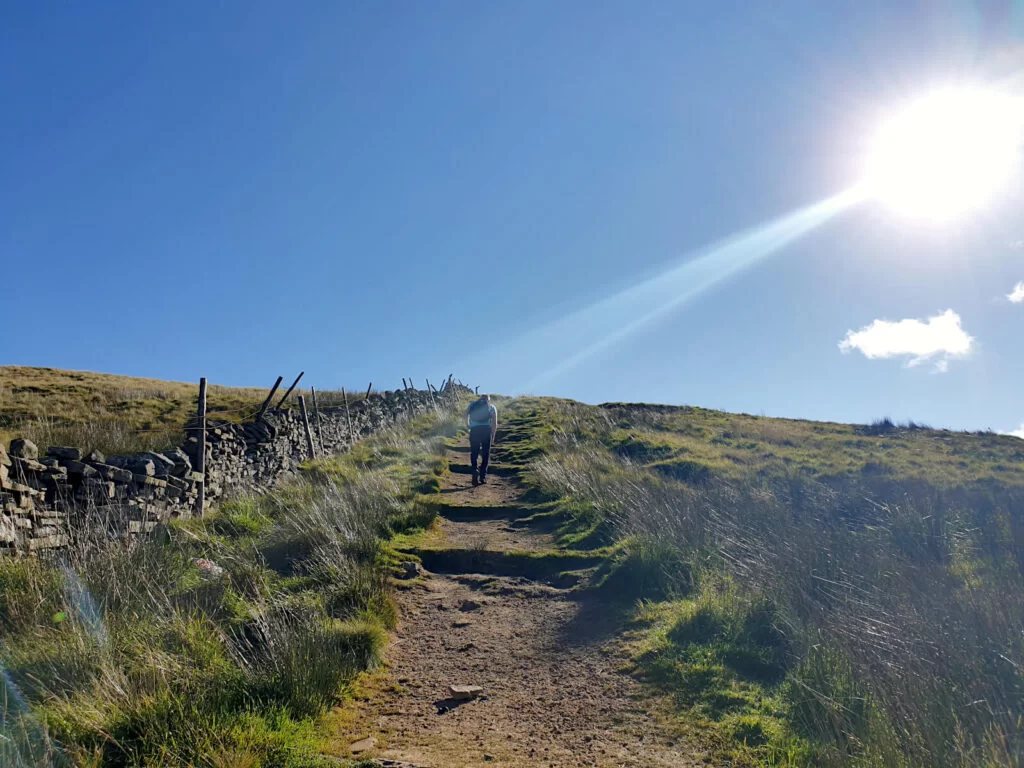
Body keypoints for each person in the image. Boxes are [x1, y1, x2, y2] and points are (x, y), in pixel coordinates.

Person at [466, 393, 497, 485]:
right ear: (488, 400)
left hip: (474, 430)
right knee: (485, 453)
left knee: (474, 452)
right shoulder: (491, 407)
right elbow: (494, 423)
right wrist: (493, 435)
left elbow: (465, 415)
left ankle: (474, 471)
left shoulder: (472, 405)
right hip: (486, 431)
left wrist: (468, 425)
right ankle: (483, 476)